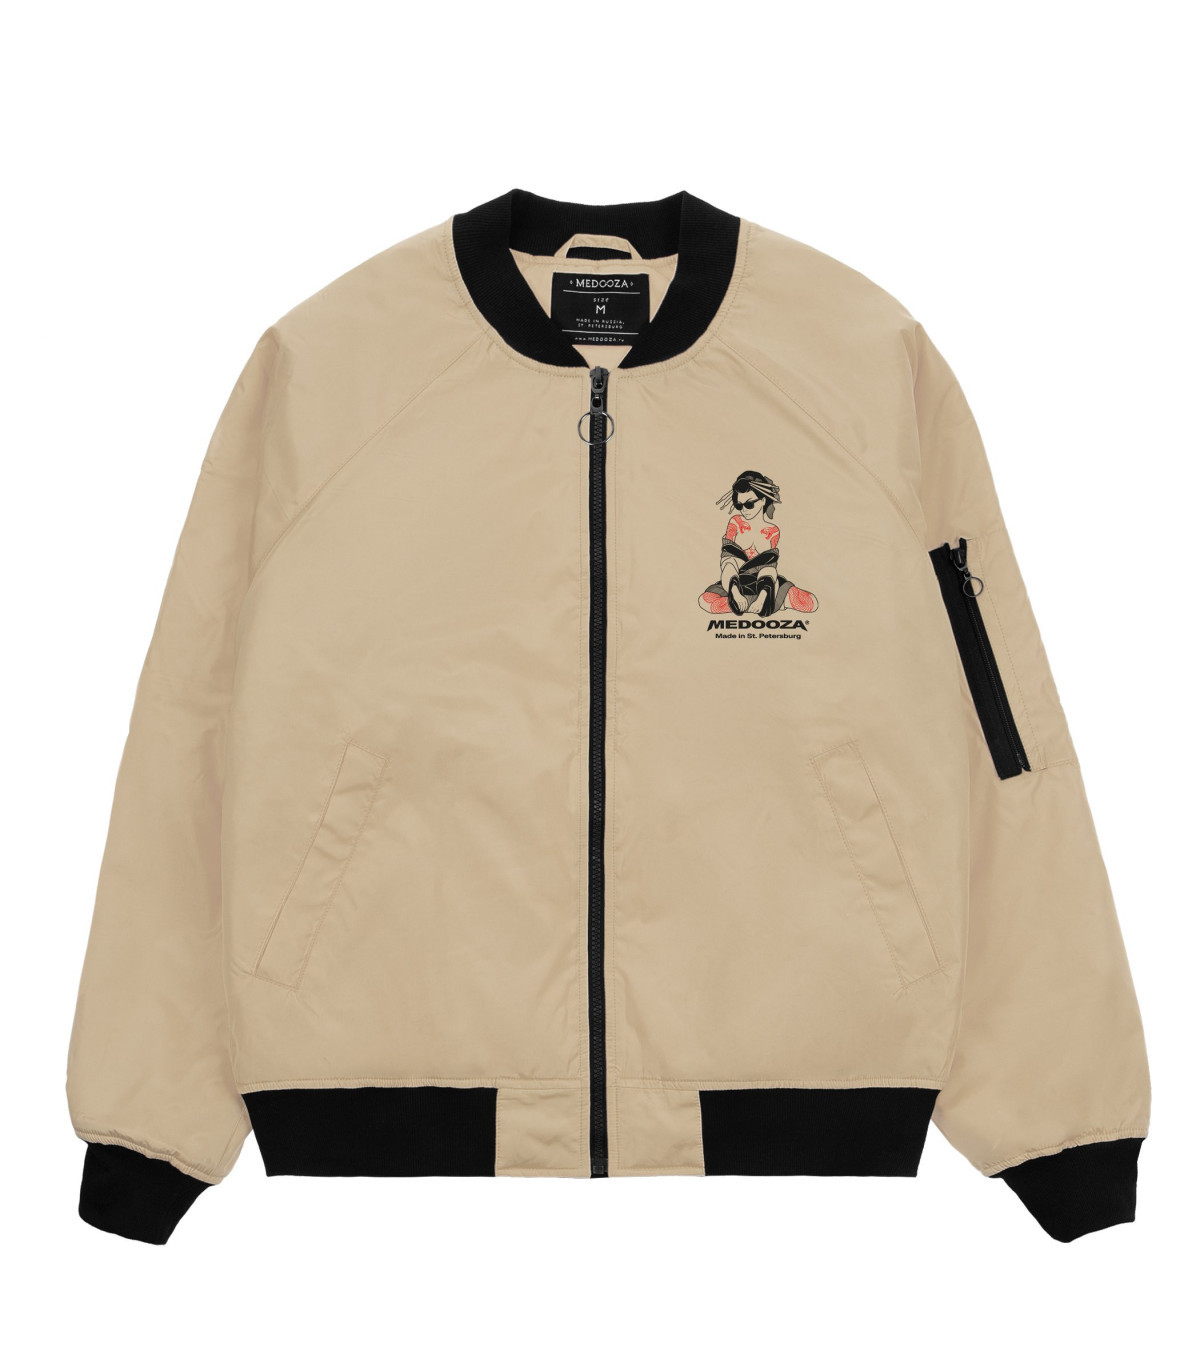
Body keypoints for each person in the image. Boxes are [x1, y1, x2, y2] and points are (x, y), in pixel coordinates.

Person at [698, 471, 818, 615]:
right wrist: (735, 592)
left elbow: (769, 566)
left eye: (749, 504)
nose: (744, 510)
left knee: (811, 603)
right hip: (735, 582)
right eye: (739, 505)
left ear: (762, 501)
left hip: (765, 585)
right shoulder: (735, 522)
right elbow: (727, 560)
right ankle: (751, 602)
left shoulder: (773, 531)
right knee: (705, 600)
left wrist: (762, 597)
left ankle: (756, 603)